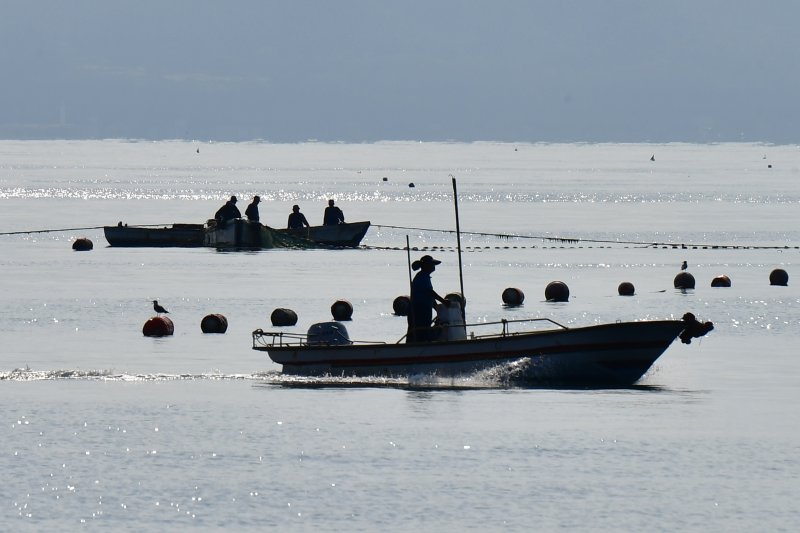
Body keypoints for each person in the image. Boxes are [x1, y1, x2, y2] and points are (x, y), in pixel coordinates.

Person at [407, 255, 446, 343]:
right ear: (426, 266)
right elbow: (429, 292)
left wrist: (437, 308)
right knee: (419, 333)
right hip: (419, 310)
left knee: (422, 332)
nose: (434, 267)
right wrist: (443, 301)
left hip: (424, 309)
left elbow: (430, 297)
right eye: (432, 264)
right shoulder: (421, 277)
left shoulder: (425, 276)